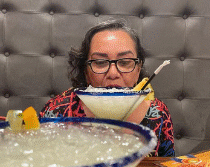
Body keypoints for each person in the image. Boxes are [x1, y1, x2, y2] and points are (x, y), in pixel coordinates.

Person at [41, 20, 174, 157]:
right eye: (100, 62)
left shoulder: (158, 113)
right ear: (86, 72)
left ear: (138, 69)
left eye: (124, 62)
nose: (113, 74)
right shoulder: (57, 112)